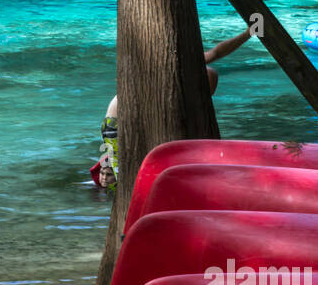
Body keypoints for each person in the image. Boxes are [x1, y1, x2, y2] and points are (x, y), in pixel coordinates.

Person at [92, 29, 253, 190]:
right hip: (117, 125)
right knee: (122, 182)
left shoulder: (177, 71)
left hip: (129, 122)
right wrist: (248, 33)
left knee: (132, 178)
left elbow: (216, 53)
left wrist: (248, 33)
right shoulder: (161, 68)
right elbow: (214, 54)